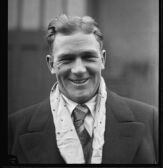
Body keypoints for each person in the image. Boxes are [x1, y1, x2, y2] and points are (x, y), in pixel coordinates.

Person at [8, 14, 158, 164]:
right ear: (51, 64)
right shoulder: (14, 128)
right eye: (66, 59)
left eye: (88, 57)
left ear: (103, 60)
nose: (78, 69)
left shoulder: (150, 120)